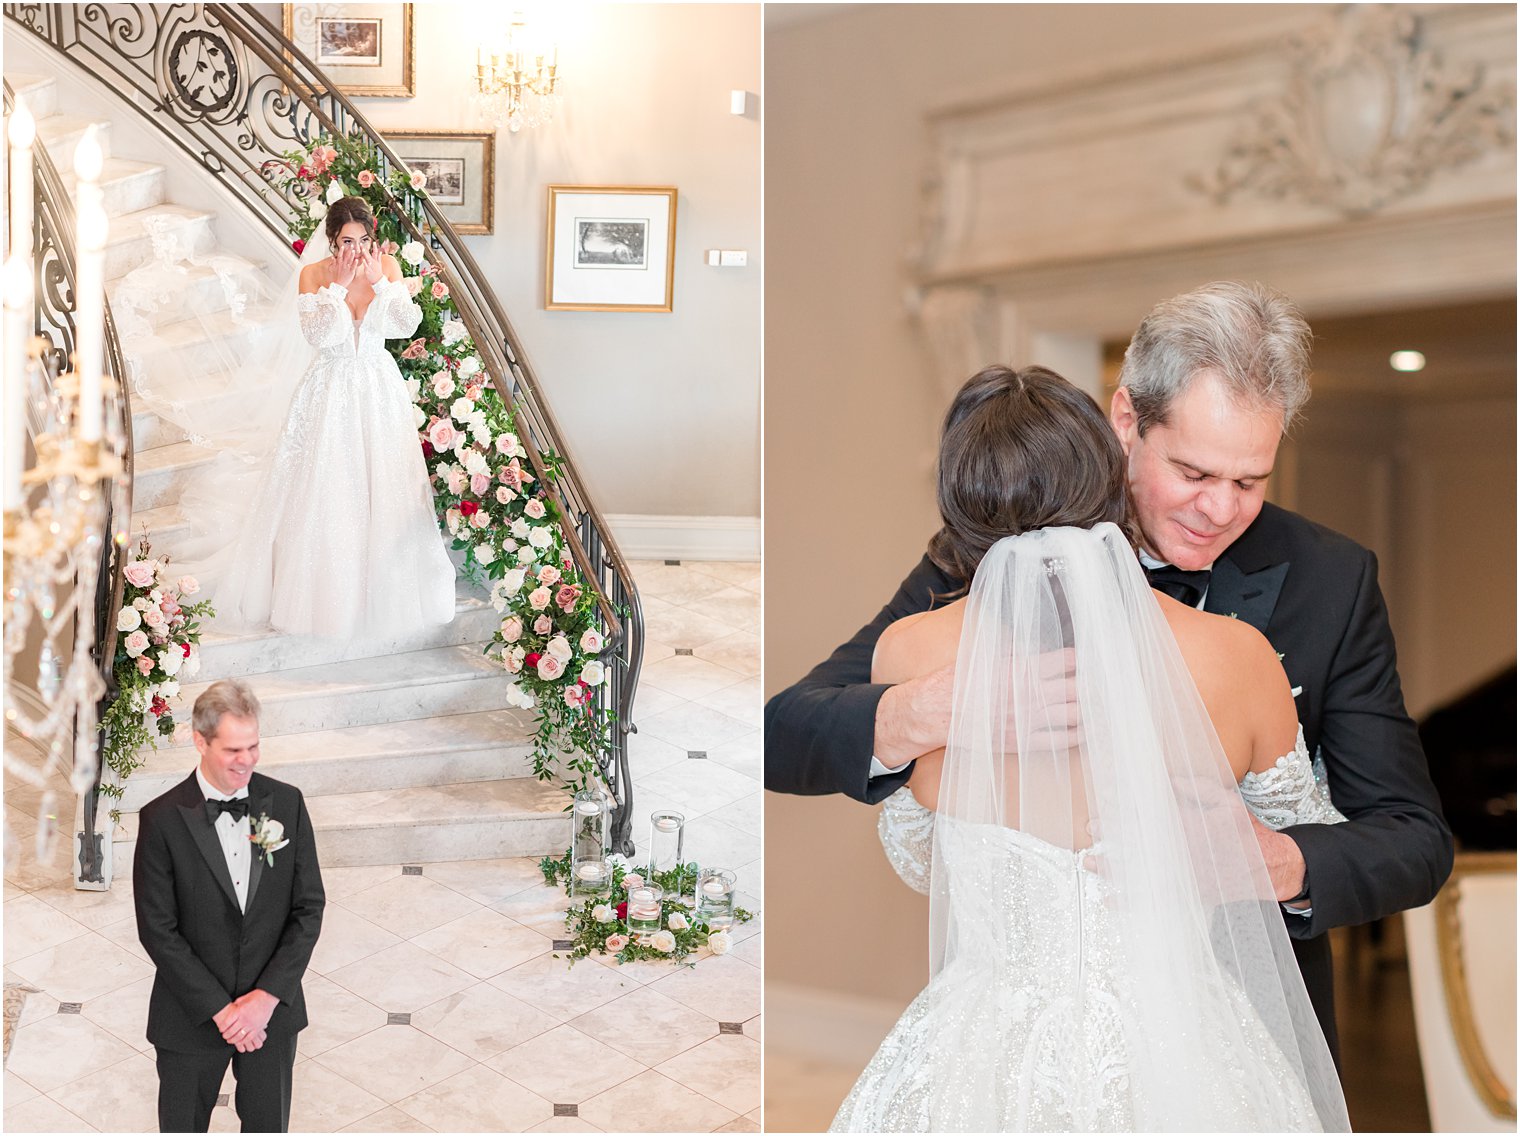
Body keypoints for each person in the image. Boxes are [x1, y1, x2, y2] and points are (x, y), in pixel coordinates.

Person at [765, 281, 1453, 1058]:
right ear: (1128, 419)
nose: (1220, 510)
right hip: (1022, 1044)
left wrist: (1274, 860)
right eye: (1193, 473)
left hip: (1241, 1040)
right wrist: (929, 710)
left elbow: (1415, 841)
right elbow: (783, 732)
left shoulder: (1332, 578)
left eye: (1249, 482)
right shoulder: (988, 552)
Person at [830, 365, 1347, 1130]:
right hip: (1186, 1046)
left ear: (960, 510)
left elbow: (925, 866)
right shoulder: (1238, 659)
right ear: (1114, 483)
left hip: (985, 1046)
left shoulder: (909, 657)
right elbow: (1293, 848)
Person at [209, 196, 457, 638]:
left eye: (364, 239)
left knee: (385, 487)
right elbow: (320, 334)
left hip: (379, 389)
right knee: (329, 487)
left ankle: (389, 592)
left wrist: (380, 282)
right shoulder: (313, 275)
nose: (357, 249)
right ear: (331, 239)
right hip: (329, 390)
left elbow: (405, 326)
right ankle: (323, 600)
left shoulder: (387, 268)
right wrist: (338, 287)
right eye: (347, 240)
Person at [133, 680, 324, 1132]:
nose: (247, 761)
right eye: (233, 750)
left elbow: (308, 908)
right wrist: (224, 1012)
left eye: (254, 747)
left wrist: (265, 999)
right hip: (191, 1014)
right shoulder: (161, 819)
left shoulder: (287, 803)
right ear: (200, 741)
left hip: (270, 1014)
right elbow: (158, 929)